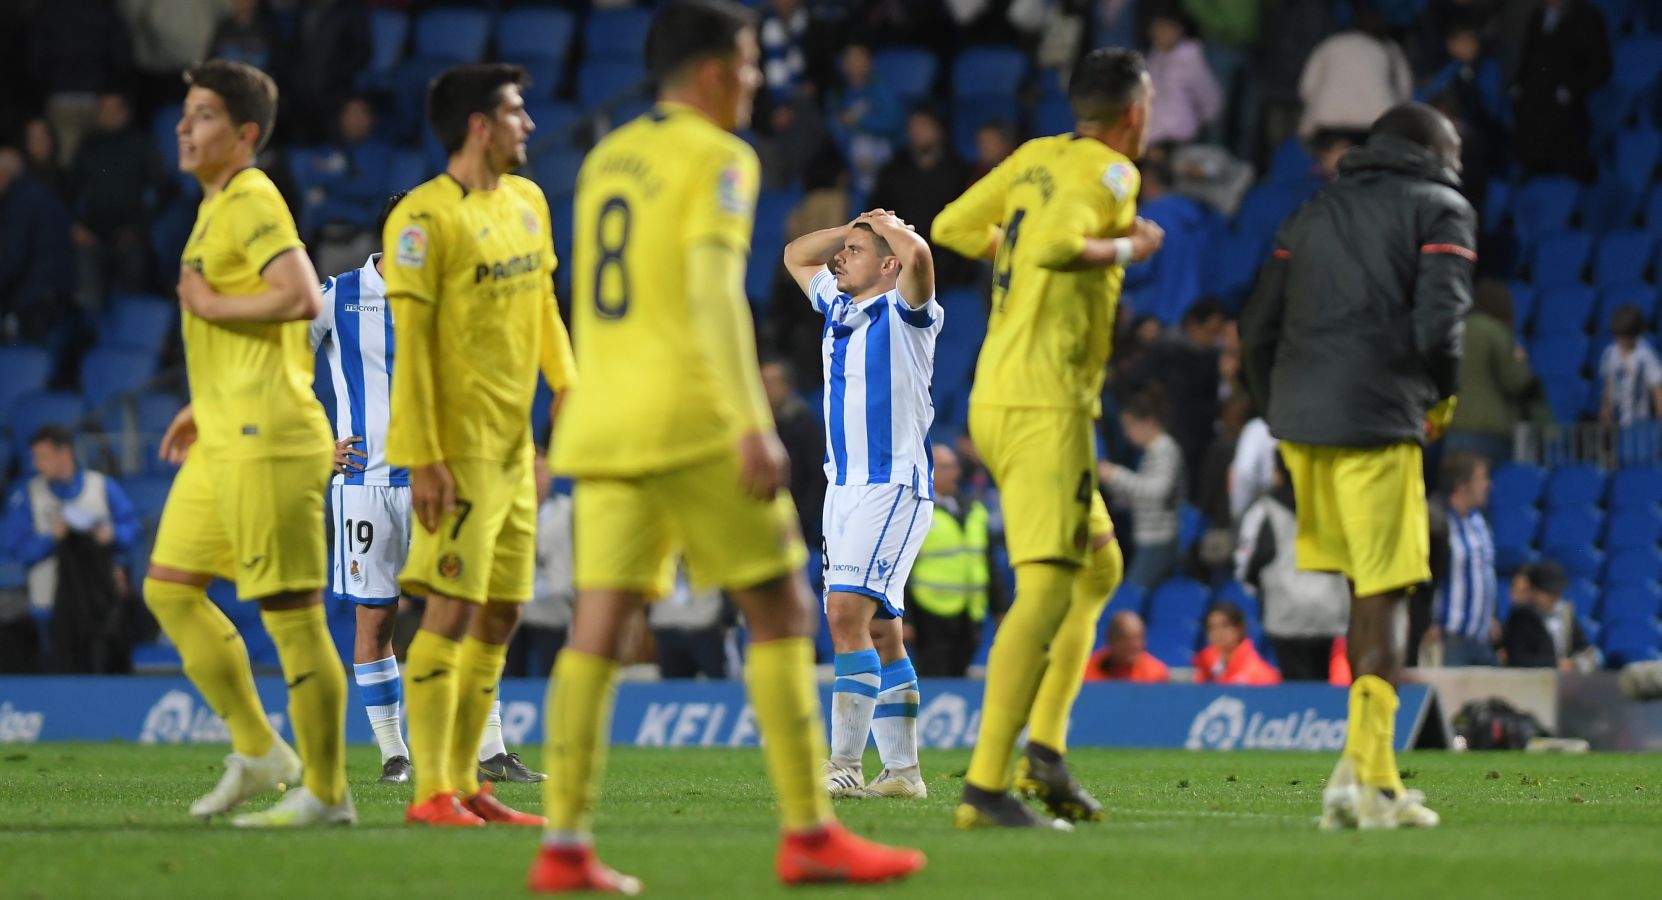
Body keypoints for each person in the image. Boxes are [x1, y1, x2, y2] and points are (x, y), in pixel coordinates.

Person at [536, 2, 925, 891]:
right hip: (690, 418)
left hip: (604, 420)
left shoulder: (604, 157)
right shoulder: (720, 157)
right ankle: (811, 834)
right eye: (749, 65)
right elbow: (713, 294)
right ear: (714, 71)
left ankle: (564, 848)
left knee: (596, 628)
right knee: (785, 613)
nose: (756, 81)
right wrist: (751, 419)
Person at [933, 47, 1164, 829]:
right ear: (1134, 113)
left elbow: (951, 226)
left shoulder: (1034, 156)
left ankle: (1047, 755)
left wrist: (1017, 259)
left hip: (994, 394)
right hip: (1046, 406)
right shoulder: (1115, 176)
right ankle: (986, 785)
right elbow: (1064, 245)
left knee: (1099, 567)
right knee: (1047, 588)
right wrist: (1130, 246)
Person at [1242, 101, 1474, 831]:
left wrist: (1276, 410)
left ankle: (1360, 774)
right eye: (1454, 148)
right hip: (1377, 418)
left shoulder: (1311, 212)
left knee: (1361, 590)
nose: (1460, 161)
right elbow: (1441, 325)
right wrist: (1441, 394)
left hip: (1305, 426)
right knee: (1390, 589)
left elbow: (1256, 327)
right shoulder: (1441, 207)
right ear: (1429, 148)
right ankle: (1371, 781)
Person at [142, 59, 349, 827]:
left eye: (202, 115)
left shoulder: (253, 196)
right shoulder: (216, 204)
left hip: (270, 437)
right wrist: (204, 399)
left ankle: (328, 794)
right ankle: (262, 751)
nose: (184, 127)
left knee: (292, 618)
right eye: (184, 112)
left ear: (246, 133)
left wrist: (212, 303)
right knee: (168, 587)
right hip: (225, 430)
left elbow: (299, 294)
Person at [380, 63, 572, 829]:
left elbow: (543, 309)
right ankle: (432, 792)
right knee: (450, 614)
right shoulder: (424, 221)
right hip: (454, 454)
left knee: (502, 612)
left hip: (513, 451)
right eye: (516, 112)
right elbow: (415, 351)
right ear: (479, 126)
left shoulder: (528, 201)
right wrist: (423, 458)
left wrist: (569, 389)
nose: (529, 125)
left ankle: (469, 783)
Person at [312, 192, 546, 789]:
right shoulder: (335, 296)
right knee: (375, 619)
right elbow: (279, 367)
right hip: (366, 485)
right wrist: (318, 442)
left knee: (468, 606)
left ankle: (489, 748)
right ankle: (394, 753)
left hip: (441, 479)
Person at [782, 206, 941, 801]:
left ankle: (843, 764)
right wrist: (854, 227)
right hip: (843, 488)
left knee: (845, 616)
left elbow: (920, 259)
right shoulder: (837, 304)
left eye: (854, 252)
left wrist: (891, 229)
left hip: (892, 484)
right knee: (880, 631)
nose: (839, 258)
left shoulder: (908, 314)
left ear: (888, 265)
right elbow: (797, 253)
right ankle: (902, 773)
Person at [2, 425, 142, 664]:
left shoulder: (101, 486)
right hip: (48, 605)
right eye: (35, 457)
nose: (36, 464)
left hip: (99, 603)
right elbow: (17, 550)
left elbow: (132, 529)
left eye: (43, 457)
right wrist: (51, 538)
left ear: (65, 453)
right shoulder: (28, 494)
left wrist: (112, 535)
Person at [1235, 453, 1349, 681]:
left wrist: (1260, 590)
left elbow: (1248, 563)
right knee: (1321, 679)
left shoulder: (1264, 509)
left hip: (1285, 611)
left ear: (1277, 473)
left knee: (1294, 685)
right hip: (1329, 609)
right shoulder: (1336, 504)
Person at [907, 443, 1002, 679]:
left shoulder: (974, 510)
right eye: (947, 467)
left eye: (955, 467)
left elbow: (988, 562)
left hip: (970, 614)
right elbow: (902, 570)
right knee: (933, 678)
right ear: (930, 471)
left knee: (961, 677)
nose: (955, 474)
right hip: (929, 615)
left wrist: (1000, 608)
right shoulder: (915, 511)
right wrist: (904, 617)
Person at [1513, 0, 1611, 182]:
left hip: (1567, 108)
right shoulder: (1537, 16)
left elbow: (1601, 67)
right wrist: (1519, 85)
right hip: (1534, 104)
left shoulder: (1587, 17)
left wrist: (1572, 89)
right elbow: (1527, 56)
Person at [1100, 390, 1186, 591]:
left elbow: (1157, 491)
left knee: (1132, 594)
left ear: (1148, 422)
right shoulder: (1151, 453)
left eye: (1130, 426)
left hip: (1159, 539)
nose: (1128, 434)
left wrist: (1115, 474)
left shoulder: (1165, 450)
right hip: (1148, 537)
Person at [1445, 280, 1532, 465]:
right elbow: (1515, 382)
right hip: (1490, 431)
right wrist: (1521, 360)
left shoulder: (1456, 330)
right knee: (1488, 490)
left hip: (1455, 426)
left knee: (1458, 489)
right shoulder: (1496, 332)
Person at [506, 451, 573, 680]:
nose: (537, 478)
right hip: (512, 609)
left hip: (555, 609)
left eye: (541, 471)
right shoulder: (507, 510)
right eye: (531, 471)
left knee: (553, 676)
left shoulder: (568, 512)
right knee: (508, 675)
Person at [1426, 452, 1498, 667]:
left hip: (1480, 638)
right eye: (1480, 479)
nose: (1487, 485)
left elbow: (1484, 573)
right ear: (1461, 486)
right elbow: (1425, 575)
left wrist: (1492, 617)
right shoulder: (1434, 519)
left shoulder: (1479, 520)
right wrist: (1428, 622)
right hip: (1449, 638)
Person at [1145, 5, 1221, 146]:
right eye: (1156, 28)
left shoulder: (1189, 58)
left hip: (1179, 136)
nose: (1159, 34)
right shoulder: (1155, 55)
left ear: (1178, 30)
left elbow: (1208, 99)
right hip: (1153, 134)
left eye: (1164, 29)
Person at [1500, 561, 1598, 671]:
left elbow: (1580, 645)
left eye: (1556, 593)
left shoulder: (1565, 614)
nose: (1553, 598)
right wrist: (1555, 664)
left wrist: (1580, 660)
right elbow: (1517, 657)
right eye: (1548, 593)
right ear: (1534, 590)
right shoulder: (1521, 616)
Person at [1598, 305, 1662, 428]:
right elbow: (1608, 383)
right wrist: (1605, 407)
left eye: (1626, 337)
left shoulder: (1646, 356)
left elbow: (1657, 389)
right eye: (1619, 337)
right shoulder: (1610, 354)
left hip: (1640, 423)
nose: (1622, 341)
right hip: (1617, 421)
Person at [1193, 601, 1281, 685]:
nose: (1218, 633)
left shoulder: (1260, 675)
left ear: (1240, 628)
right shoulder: (1205, 668)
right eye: (1212, 628)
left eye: (1225, 625)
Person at [1082, 611, 1170, 682]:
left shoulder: (1156, 673)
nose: (1133, 645)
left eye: (1138, 638)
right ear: (1110, 639)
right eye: (1125, 639)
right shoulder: (1085, 669)